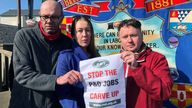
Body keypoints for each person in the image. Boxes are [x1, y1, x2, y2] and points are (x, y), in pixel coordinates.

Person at [9, 1, 73, 108]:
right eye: (45, 17)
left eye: (54, 17)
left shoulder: (67, 43)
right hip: (26, 103)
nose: (49, 21)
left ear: (61, 18)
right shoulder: (23, 36)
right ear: (40, 16)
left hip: (54, 104)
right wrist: (56, 80)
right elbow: (22, 73)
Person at [118, 19, 173, 108]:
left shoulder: (157, 59)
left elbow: (164, 92)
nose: (129, 40)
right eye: (125, 37)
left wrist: (137, 68)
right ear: (119, 39)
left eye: (133, 35)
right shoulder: (114, 62)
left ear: (142, 36)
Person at [56, 15, 100, 108]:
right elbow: (63, 93)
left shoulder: (96, 56)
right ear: (73, 35)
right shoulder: (66, 57)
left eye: (87, 30)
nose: (84, 34)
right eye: (80, 31)